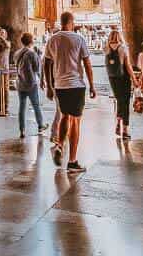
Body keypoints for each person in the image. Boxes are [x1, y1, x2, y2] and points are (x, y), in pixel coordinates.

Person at [43, 12, 96, 173]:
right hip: (77, 85)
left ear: (61, 22)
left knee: (64, 116)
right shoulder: (79, 39)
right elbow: (87, 64)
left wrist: (49, 86)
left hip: (60, 85)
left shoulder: (53, 39)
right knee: (76, 121)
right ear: (71, 22)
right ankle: (72, 161)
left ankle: (59, 145)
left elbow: (46, 63)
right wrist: (92, 85)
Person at [104, 29, 138, 140]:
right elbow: (127, 65)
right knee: (125, 102)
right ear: (120, 36)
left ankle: (118, 121)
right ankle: (125, 130)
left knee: (119, 100)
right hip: (123, 78)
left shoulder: (106, 48)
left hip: (112, 78)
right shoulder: (123, 48)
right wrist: (134, 78)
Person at [14, 33, 47, 138]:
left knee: (22, 106)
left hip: (20, 82)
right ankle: (40, 125)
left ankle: (22, 129)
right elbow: (37, 69)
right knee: (35, 105)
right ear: (31, 41)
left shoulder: (17, 53)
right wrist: (42, 80)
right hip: (31, 83)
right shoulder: (32, 53)